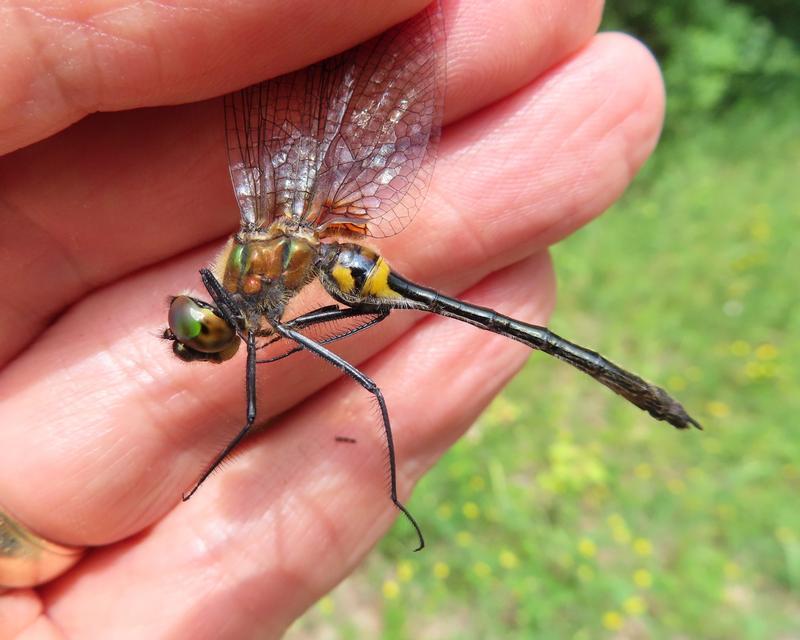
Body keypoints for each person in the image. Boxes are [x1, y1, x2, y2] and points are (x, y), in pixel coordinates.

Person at [0, 0, 666, 636]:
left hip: (339, 263)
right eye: (196, 326)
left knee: (367, 385)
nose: (192, 331)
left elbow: (259, 413)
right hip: (327, 264)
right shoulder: (252, 273)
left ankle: (402, 491)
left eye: (193, 325)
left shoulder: (256, 287)